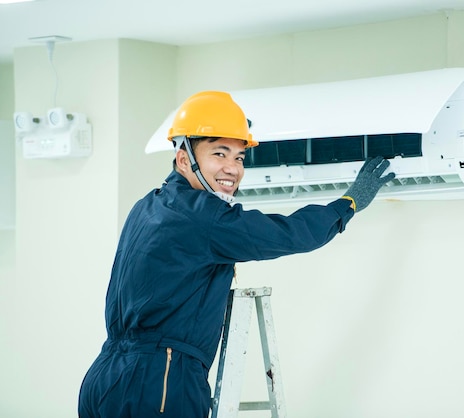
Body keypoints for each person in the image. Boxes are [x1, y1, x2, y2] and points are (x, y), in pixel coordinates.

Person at [78, 90, 395, 417]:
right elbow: (289, 233)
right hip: (162, 379)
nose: (232, 168)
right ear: (185, 159)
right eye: (219, 153)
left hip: (104, 379)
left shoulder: (147, 206)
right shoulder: (204, 217)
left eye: (239, 157)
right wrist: (348, 204)